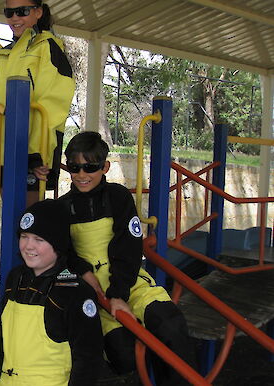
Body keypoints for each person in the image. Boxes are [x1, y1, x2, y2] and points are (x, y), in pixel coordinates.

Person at [58, 131, 196, 384]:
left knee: (169, 325)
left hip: (128, 282)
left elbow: (129, 247)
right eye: (75, 167)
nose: (81, 175)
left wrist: (119, 295)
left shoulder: (118, 197)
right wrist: (82, 272)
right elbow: (62, 250)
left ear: (105, 167)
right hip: (92, 291)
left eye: (90, 167)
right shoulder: (62, 207)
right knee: (125, 357)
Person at [0, 199, 103, 385]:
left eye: (39, 240)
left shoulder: (75, 290)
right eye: (24, 236)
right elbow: (1, 345)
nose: (28, 246)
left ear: (58, 245)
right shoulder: (15, 278)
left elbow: (88, 359)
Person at [0, 0, 75, 206]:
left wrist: (35, 154)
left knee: (28, 223)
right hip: (3, 150)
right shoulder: (5, 55)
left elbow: (51, 107)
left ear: (38, 12)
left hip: (32, 153)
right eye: (9, 13)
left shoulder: (48, 49)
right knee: (10, 221)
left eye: (22, 11)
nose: (15, 18)